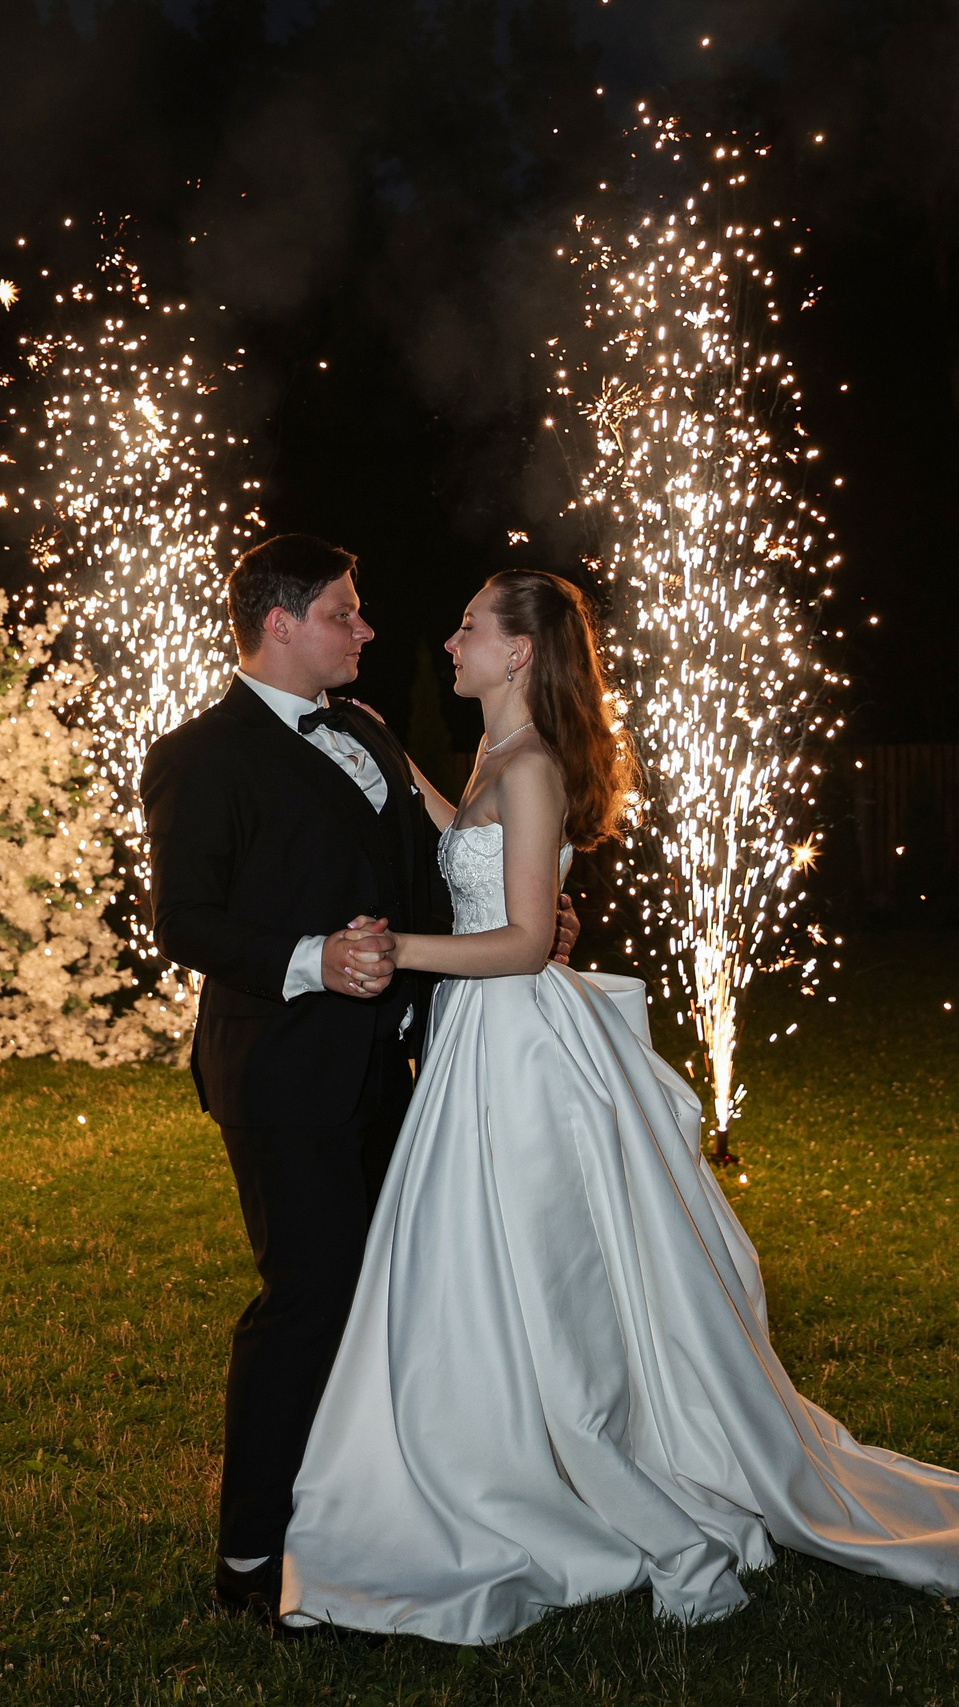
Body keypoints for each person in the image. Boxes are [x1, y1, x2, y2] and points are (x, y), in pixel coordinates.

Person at [278, 569, 959, 1642]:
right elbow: (464, 846)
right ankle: (493, 1439)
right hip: (481, 1034)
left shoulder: (532, 766)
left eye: (469, 626)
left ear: (518, 650)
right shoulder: (494, 757)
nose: (449, 640)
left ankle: (577, 1456)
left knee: (540, 1259)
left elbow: (523, 941)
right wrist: (399, 763)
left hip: (517, 1041)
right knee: (481, 1254)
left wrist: (392, 952)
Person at [140, 536, 578, 1628]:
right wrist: (313, 960)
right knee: (307, 1300)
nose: (368, 629)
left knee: (398, 1302)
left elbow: (431, 868)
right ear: (280, 623)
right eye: (345, 613)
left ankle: (370, 1521)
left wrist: (531, 914)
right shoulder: (200, 755)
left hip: (407, 1070)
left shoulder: (369, 731)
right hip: (284, 1073)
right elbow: (184, 922)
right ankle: (251, 1557)